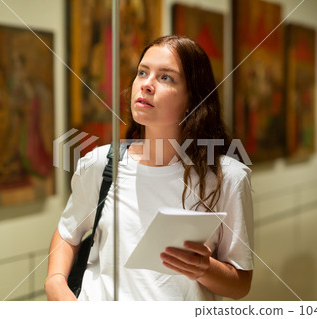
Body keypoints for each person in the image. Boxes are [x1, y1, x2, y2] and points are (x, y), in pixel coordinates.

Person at [45, 35, 254, 301]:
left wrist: (204, 268)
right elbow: (67, 233)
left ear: (193, 99)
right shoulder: (103, 164)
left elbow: (241, 284)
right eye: (142, 72)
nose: (146, 85)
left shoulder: (228, 177)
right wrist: (55, 283)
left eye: (166, 77)